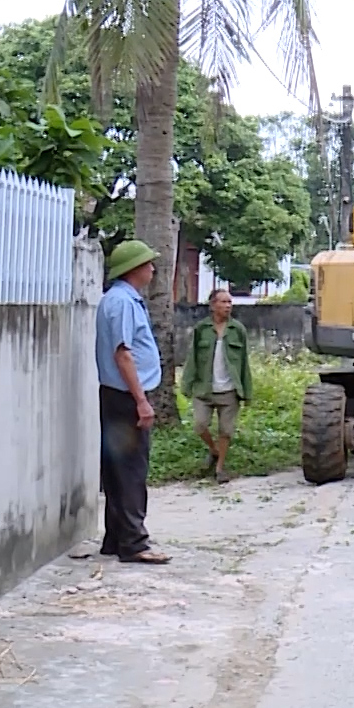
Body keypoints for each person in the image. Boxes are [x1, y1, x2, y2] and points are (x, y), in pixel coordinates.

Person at [95, 239, 170, 565]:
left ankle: (116, 537)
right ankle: (135, 542)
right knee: (131, 469)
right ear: (135, 269)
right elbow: (123, 354)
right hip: (126, 396)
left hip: (115, 394)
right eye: (148, 263)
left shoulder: (118, 300)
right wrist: (141, 400)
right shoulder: (123, 303)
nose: (153, 268)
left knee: (116, 468)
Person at [184, 287, 252, 483]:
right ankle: (213, 451)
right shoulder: (201, 329)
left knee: (226, 431)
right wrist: (187, 385)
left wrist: (247, 392)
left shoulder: (237, 329)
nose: (228, 306)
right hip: (204, 388)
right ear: (213, 305)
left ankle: (220, 468)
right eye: (223, 302)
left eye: (230, 302)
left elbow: (244, 363)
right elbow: (193, 358)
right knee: (199, 425)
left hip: (229, 390)